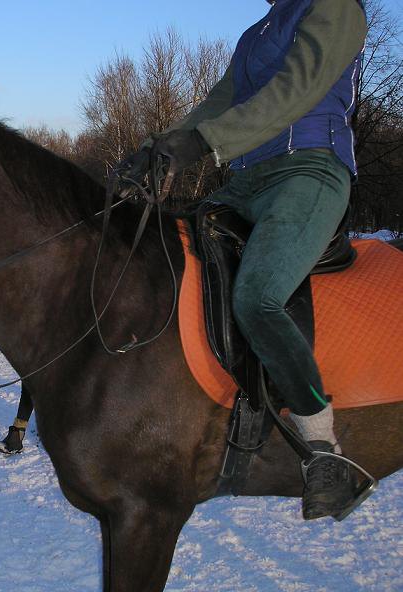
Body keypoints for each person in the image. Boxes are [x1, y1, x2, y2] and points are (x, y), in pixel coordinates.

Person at [129, 0, 369, 520]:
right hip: (245, 181)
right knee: (163, 254)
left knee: (257, 297)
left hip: (309, 168)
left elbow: (296, 90)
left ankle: (323, 449)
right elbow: (217, 103)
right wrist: (156, 148)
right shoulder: (256, 32)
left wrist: (205, 143)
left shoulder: (334, 7)